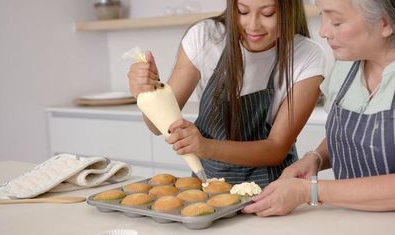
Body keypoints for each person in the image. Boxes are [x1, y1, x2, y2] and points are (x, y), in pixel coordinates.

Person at [244, 0, 395, 218]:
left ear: (386, 23)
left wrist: (306, 190)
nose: (323, 31)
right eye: (322, 15)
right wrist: (316, 158)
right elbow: (354, 135)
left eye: (337, 22)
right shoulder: (350, 56)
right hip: (364, 225)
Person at [127, 0, 327, 187]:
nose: (253, 25)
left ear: (288, 10)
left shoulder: (306, 55)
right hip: (207, 188)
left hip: (273, 191)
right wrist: (147, 94)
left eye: (268, 13)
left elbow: (276, 149)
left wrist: (205, 147)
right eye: (242, 11)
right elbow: (157, 126)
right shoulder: (206, 37)